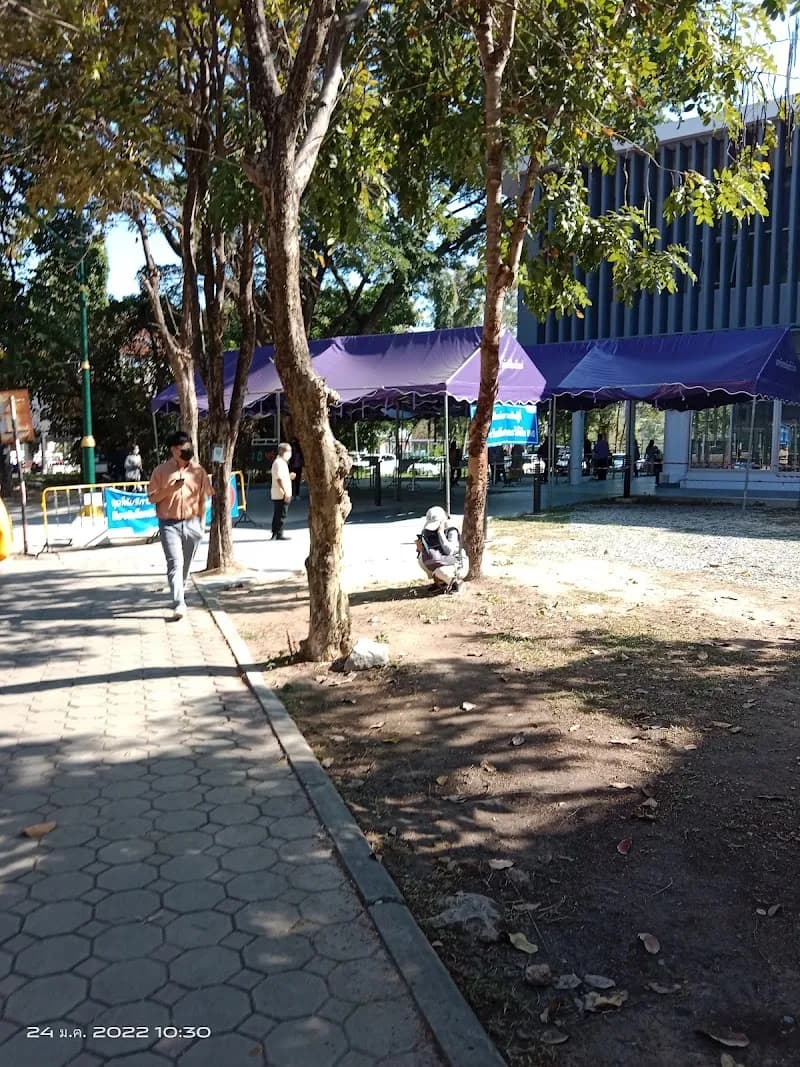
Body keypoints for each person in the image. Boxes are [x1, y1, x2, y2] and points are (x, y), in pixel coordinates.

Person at [147, 431, 212, 620]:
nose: (185, 451)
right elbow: (152, 497)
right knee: (175, 562)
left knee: (186, 562)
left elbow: (203, 498)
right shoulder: (160, 471)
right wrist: (170, 489)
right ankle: (179, 603)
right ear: (174, 450)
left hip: (192, 523)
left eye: (187, 447)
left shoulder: (198, 471)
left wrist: (202, 521)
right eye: (181, 448)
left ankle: (180, 588)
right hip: (169, 523)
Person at [416, 506, 468, 592]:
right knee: (421, 558)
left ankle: (457, 584)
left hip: (457, 562)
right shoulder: (429, 530)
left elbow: (450, 551)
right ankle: (441, 582)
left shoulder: (451, 530)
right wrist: (420, 548)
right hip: (442, 559)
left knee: (439, 570)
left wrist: (441, 533)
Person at [270, 442, 293, 540]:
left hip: (280, 492)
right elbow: (279, 479)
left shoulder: (282, 462)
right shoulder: (279, 462)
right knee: (281, 514)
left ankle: (275, 532)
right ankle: (278, 533)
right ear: (281, 451)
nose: (290, 453)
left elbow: (282, 477)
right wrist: (285, 492)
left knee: (278, 513)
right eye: (288, 451)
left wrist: (289, 477)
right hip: (281, 493)